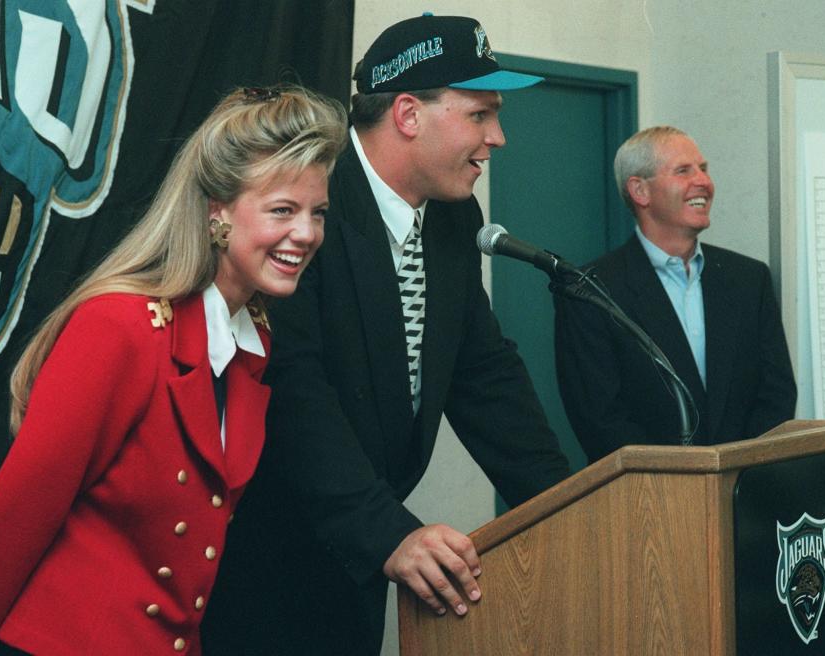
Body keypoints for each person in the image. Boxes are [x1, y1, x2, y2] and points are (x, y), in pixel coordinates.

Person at [202, 14, 571, 656]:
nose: (498, 138)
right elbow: (291, 387)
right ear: (407, 114)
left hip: (357, 570)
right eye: (481, 115)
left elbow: (484, 374)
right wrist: (389, 533)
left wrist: (568, 505)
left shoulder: (455, 218)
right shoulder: (310, 202)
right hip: (264, 566)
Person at [0, 85, 347, 656]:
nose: (307, 234)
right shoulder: (121, 327)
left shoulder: (253, 338)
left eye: (317, 213)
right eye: (282, 210)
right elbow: (11, 523)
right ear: (217, 212)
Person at [554, 126, 797, 463]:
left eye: (704, 169)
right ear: (640, 190)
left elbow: (777, 395)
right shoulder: (590, 290)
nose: (704, 182)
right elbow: (599, 419)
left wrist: (742, 472)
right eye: (684, 171)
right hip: (653, 500)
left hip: (748, 490)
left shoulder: (748, 279)